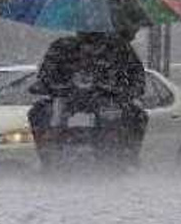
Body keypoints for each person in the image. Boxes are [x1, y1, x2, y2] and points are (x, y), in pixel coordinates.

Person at [27, 22, 148, 167]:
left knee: (137, 115)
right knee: (38, 112)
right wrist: (55, 88)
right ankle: (48, 157)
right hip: (65, 101)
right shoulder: (62, 47)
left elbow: (138, 80)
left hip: (109, 103)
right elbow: (45, 77)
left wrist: (119, 92)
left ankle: (126, 158)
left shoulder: (119, 48)